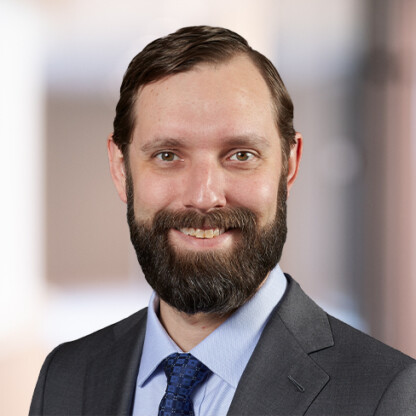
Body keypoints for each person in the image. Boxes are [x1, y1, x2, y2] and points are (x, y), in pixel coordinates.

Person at [30, 26, 416, 416]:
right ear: (120, 168)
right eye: (167, 155)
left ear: (289, 164)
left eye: (241, 155)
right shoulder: (65, 378)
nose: (203, 196)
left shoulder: (386, 395)